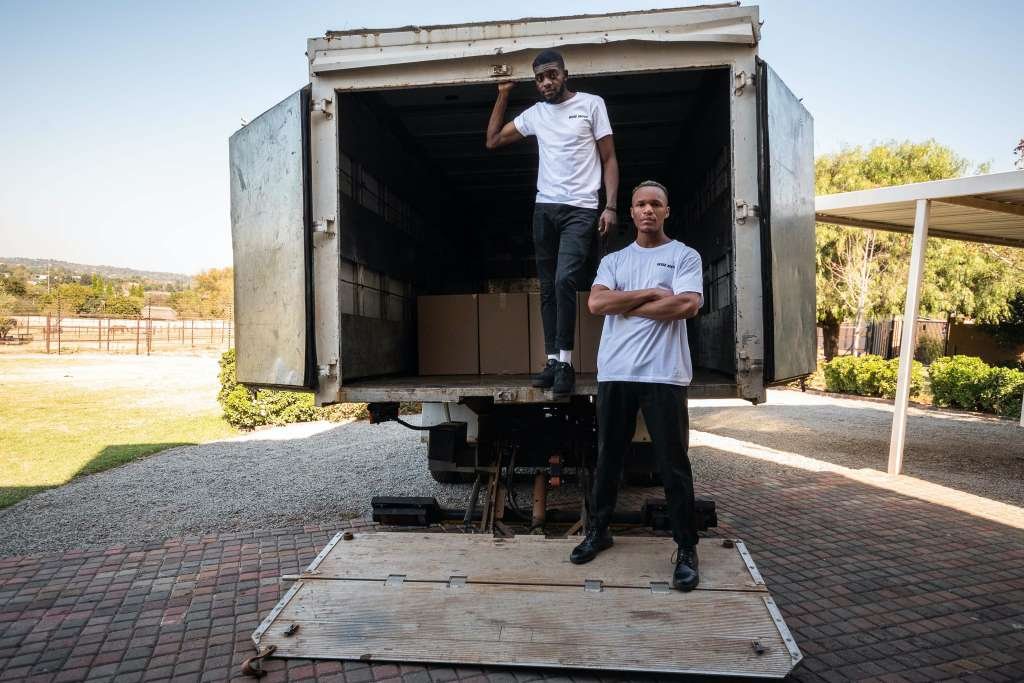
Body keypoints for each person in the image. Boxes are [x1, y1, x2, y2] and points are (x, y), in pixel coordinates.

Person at [569, 180, 704, 592]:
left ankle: (686, 547)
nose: (648, 210)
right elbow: (596, 303)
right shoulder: (614, 260)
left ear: (667, 211)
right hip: (616, 373)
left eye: (656, 204)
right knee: (609, 458)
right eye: (641, 204)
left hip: (664, 375)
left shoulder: (684, 255)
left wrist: (625, 302)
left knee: (672, 465)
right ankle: (599, 531)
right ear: (630, 211)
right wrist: (650, 294)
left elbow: (687, 304)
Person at [485, 49, 619, 397]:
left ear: (565, 74)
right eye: (540, 78)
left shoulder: (591, 105)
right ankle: (552, 361)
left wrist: (610, 206)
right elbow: (493, 140)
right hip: (544, 209)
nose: (546, 82)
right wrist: (503, 94)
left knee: (564, 280)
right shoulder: (536, 114)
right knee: (546, 286)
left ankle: (566, 364)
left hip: (581, 209)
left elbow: (609, 158)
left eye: (552, 75)